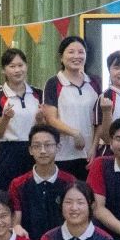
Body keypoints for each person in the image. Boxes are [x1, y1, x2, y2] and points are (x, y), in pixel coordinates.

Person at [40, 35, 102, 180]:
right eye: (71, 52)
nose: (76, 56)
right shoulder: (53, 83)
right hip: (63, 154)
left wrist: (94, 147)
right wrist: (75, 133)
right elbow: (51, 119)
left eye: (81, 52)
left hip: (90, 154)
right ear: (61, 57)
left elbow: (99, 119)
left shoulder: (95, 82)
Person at [9, 124, 78, 240]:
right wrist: (16, 227)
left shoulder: (70, 182)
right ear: (30, 150)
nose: (42, 151)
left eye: (48, 145)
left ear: (58, 147)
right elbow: (16, 223)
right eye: (37, 146)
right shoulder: (18, 184)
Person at [0, 47, 43, 192]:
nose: (17, 70)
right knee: (6, 195)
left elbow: (45, 129)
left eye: (20, 65)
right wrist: (5, 118)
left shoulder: (38, 94)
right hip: (7, 152)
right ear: (3, 70)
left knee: (32, 193)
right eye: (12, 66)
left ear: (26, 66)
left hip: (34, 149)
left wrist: (40, 120)